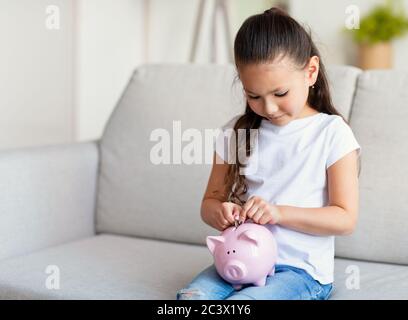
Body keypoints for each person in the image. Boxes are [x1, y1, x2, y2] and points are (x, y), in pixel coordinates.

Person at [176, 7, 361, 300]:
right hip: (240, 260)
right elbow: (208, 204)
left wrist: (278, 213)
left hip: (301, 272)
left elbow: (345, 218)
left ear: (310, 72)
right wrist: (221, 212)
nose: (269, 108)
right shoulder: (234, 134)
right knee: (190, 299)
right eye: (254, 96)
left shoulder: (332, 134)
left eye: (280, 94)